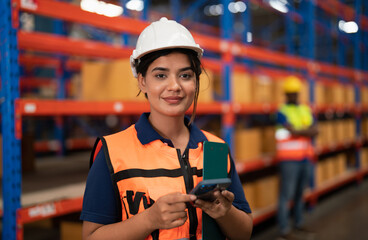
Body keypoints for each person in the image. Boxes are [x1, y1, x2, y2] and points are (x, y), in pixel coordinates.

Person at [80, 17, 253, 240]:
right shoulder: (112, 152)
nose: (175, 86)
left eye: (185, 75)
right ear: (142, 81)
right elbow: (91, 237)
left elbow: (244, 233)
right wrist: (149, 219)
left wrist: (225, 213)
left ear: (196, 82)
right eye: (160, 75)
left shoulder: (216, 149)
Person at [275, 76, 318, 240]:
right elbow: (292, 130)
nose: (293, 96)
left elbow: (315, 130)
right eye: (290, 93)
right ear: (286, 94)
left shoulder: (305, 109)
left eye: (295, 93)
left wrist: (299, 130)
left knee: (300, 194)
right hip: (289, 160)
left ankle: (299, 224)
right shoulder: (281, 112)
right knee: (286, 195)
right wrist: (305, 130)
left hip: (306, 158)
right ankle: (284, 230)